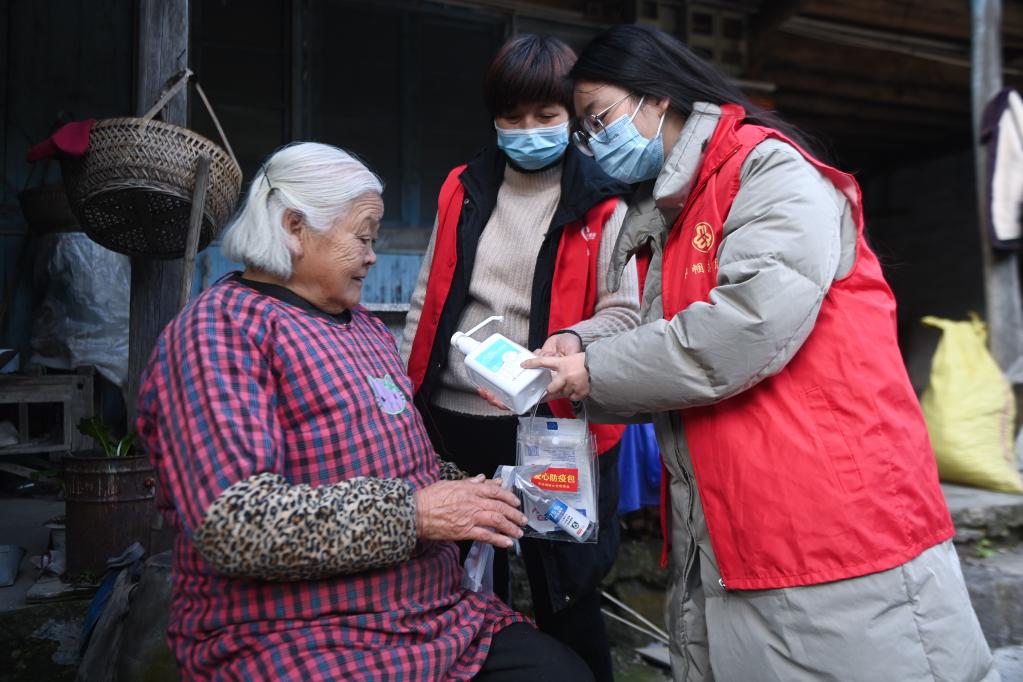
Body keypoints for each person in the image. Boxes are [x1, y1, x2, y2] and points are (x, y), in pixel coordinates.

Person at [524, 24, 998, 682]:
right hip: (742, 513)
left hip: (827, 513)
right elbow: (665, 323)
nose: (592, 139)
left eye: (597, 116)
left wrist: (591, 373)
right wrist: (580, 343)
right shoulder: (678, 207)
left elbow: (741, 327)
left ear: (656, 98)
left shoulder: (766, 169)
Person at [136, 142, 594, 681]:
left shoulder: (367, 330)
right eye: (362, 237)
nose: (373, 256)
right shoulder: (220, 333)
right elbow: (235, 523)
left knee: (562, 673)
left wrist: (480, 492)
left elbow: (403, 465)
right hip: (297, 631)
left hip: (431, 616)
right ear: (293, 227)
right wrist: (417, 514)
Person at [400, 35, 640, 682]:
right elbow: (429, 292)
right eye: (511, 117)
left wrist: (570, 342)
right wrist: (404, 389)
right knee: (461, 587)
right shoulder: (463, 186)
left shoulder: (607, 201)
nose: (527, 131)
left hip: (554, 422)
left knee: (565, 589)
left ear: (573, 117)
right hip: (455, 419)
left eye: (546, 117)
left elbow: (627, 310)